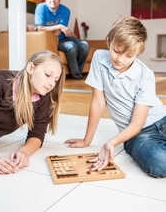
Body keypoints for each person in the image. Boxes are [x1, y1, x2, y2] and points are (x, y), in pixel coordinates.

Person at [65, 16, 166, 178]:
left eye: (129, 56)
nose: (120, 59)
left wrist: (111, 142)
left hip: (162, 118)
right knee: (160, 164)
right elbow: (98, 102)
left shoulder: (145, 74)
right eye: (116, 51)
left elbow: (139, 119)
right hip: (136, 134)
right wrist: (87, 140)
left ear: (138, 54)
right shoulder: (99, 58)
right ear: (109, 41)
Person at [0, 50, 65, 174]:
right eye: (48, 75)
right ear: (30, 68)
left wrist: (24, 152)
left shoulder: (43, 96)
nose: (51, 84)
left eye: (56, 80)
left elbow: (37, 134)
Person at [34, 0, 90, 79]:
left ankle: (78, 72)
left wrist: (56, 28)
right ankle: (76, 74)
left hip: (65, 37)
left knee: (85, 45)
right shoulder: (41, 8)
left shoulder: (65, 10)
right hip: (52, 40)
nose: (53, 0)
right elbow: (40, 29)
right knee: (71, 46)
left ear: (59, 1)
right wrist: (58, 26)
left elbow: (58, 32)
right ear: (45, 0)